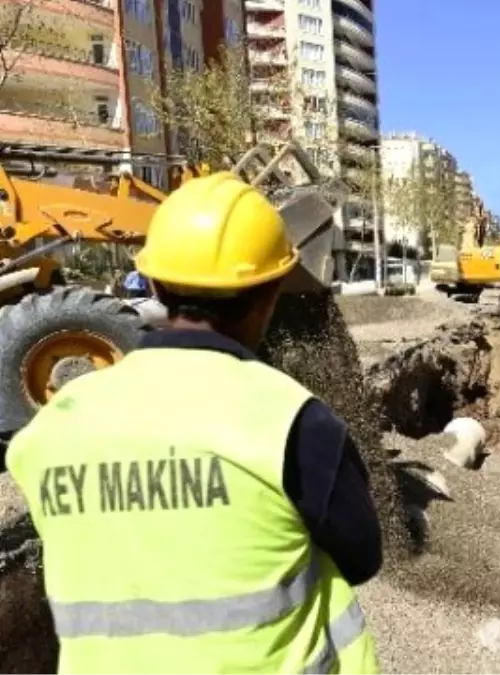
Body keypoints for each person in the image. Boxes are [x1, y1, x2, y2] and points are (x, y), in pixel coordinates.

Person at [5, 173, 383, 673]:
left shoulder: (50, 432)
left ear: (155, 285)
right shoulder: (293, 420)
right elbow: (362, 557)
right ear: (271, 294)